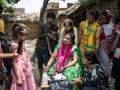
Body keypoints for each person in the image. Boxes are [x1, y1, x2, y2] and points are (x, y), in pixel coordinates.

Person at [10, 23, 36, 90]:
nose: (26, 37)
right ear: (19, 35)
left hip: (26, 72)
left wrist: (30, 66)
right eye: (25, 35)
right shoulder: (14, 46)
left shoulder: (22, 44)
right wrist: (18, 78)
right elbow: (14, 63)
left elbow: (25, 57)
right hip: (19, 73)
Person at [36, 12, 56, 86]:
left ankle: (46, 78)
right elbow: (39, 35)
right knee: (40, 63)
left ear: (53, 19)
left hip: (48, 48)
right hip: (40, 47)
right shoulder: (42, 25)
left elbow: (55, 35)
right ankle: (41, 77)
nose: (50, 20)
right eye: (49, 18)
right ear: (46, 18)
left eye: (52, 18)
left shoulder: (54, 26)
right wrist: (47, 34)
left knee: (47, 63)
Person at [98, 10, 115, 86]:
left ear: (108, 18)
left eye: (104, 19)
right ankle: (101, 81)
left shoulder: (111, 26)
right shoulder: (100, 26)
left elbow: (110, 39)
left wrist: (102, 33)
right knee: (100, 64)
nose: (102, 20)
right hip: (99, 48)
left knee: (105, 65)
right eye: (101, 19)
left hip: (106, 49)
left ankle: (106, 82)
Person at [111, 17, 120, 90]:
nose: (119, 26)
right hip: (117, 64)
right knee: (117, 84)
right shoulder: (115, 35)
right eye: (117, 24)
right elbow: (112, 49)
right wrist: (118, 35)